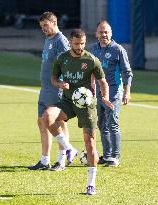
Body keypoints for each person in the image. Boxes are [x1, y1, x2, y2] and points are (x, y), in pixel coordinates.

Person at [42, 29, 113, 195]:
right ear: (70, 42)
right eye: (76, 44)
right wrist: (60, 85)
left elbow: (103, 82)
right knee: (47, 117)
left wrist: (105, 97)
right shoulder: (62, 59)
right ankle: (69, 149)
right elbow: (53, 79)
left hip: (86, 105)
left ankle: (91, 184)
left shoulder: (91, 60)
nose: (80, 47)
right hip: (67, 101)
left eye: (82, 44)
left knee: (90, 144)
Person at [28, 12, 72, 171]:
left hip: (57, 90)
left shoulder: (61, 41)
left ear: (54, 23)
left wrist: (64, 85)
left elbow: (68, 64)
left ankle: (61, 161)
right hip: (45, 89)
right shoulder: (48, 39)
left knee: (58, 122)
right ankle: (44, 160)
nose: (43, 29)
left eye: (45, 25)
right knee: (41, 122)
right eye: (41, 27)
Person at [91, 20, 133, 167]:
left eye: (106, 32)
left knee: (112, 123)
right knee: (102, 124)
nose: (104, 35)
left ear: (111, 33)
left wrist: (126, 92)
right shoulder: (93, 50)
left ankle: (115, 157)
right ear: (96, 34)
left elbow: (127, 73)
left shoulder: (118, 50)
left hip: (114, 93)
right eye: (101, 32)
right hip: (99, 94)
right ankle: (107, 155)